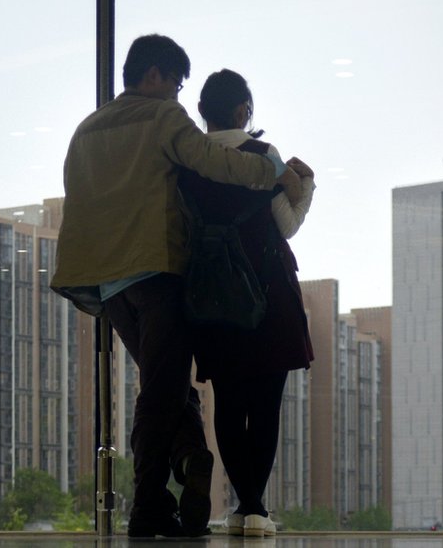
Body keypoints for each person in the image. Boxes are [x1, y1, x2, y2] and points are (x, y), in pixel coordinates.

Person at [51, 35, 298, 538]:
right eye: (177, 83)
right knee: (159, 394)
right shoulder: (163, 117)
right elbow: (215, 161)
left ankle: (190, 458)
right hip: (158, 272)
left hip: (110, 282)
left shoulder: (87, 129)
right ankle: (147, 507)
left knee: (167, 385)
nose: (179, 95)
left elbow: (78, 197)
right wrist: (272, 168)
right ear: (156, 75)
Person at [178, 69, 316, 538]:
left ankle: (243, 508)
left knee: (230, 403)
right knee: (266, 404)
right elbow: (287, 225)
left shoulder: (190, 162)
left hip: (212, 295)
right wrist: (308, 187)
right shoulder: (264, 156)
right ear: (242, 111)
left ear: (203, 113)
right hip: (267, 293)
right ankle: (254, 509)